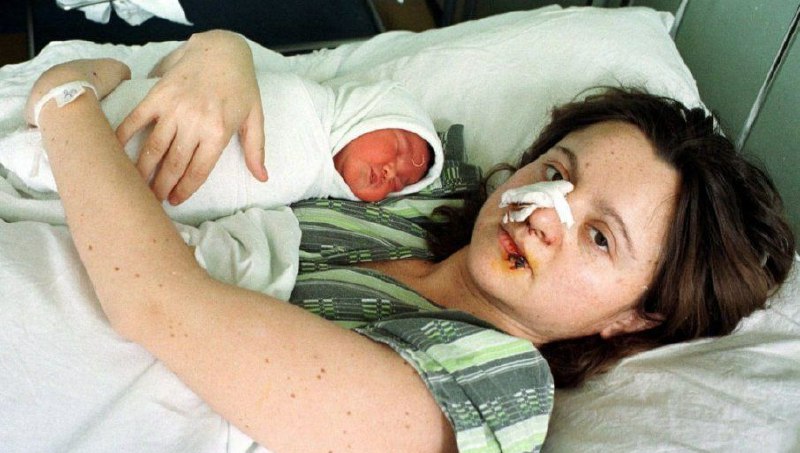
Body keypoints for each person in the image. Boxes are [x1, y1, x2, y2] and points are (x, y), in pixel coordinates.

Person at [24, 28, 795, 453]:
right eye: (557, 170)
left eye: (597, 235)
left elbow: (156, 304)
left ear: (633, 316)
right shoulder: (418, 189)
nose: (544, 212)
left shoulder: (502, 385)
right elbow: (303, 106)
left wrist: (64, 100)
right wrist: (221, 53)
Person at [3, 58, 442, 224]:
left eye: (402, 183)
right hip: (99, 118)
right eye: (400, 149)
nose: (393, 172)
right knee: (106, 85)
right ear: (373, 111)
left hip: (100, 189)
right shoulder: (305, 100)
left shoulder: (311, 195)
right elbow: (185, 70)